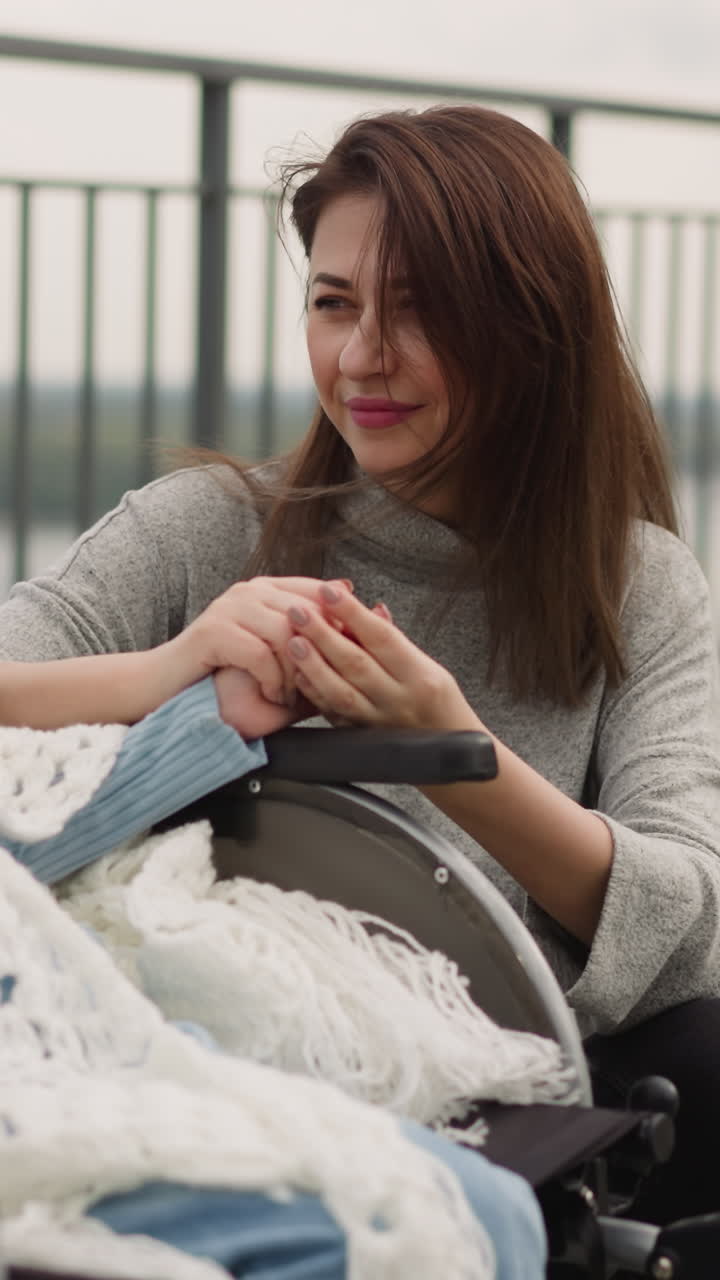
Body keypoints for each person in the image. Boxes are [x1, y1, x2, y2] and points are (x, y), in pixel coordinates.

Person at [1, 103, 719, 1225]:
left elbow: (685, 921)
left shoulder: (639, 582)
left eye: (420, 309)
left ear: (535, 327)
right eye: (334, 302)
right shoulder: (201, 530)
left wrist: (454, 752)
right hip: (213, 1053)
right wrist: (174, 666)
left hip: (517, 1084)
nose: (362, 355)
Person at [0, 660, 547, 1280]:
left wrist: (216, 715)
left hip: (86, 1024)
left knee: (485, 1214)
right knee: (458, 1223)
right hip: (55, 1065)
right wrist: (177, 668)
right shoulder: (167, 593)